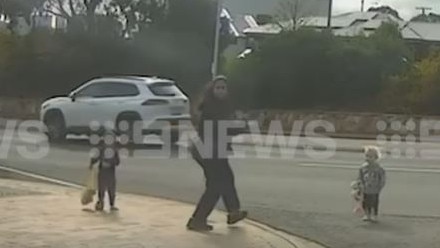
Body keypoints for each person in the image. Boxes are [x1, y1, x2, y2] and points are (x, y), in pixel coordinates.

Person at [187, 76, 248, 231]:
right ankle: (197, 220)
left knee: (226, 177)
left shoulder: (224, 106)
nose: (221, 91)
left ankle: (233, 211)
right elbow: (218, 128)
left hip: (215, 149)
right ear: (212, 90)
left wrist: (239, 125)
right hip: (206, 150)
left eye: (223, 88)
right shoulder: (209, 107)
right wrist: (239, 127)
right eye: (218, 88)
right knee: (216, 185)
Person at [90, 129, 121, 212]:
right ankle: (100, 202)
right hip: (102, 172)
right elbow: (95, 158)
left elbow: (117, 162)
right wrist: (92, 163)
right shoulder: (101, 149)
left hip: (110, 172)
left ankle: (112, 204)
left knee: (111, 190)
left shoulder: (114, 151)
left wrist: (110, 162)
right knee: (101, 189)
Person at [358, 146, 386, 222]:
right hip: (366, 188)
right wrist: (360, 184)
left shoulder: (379, 168)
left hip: (375, 189)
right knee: (365, 202)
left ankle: (374, 215)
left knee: (374, 202)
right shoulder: (363, 167)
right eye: (367, 156)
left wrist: (380, 186)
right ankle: (367, 214)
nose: (368, 158)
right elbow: (360, 176)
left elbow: (382, 178)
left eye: (370, 157)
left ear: (376, 157)